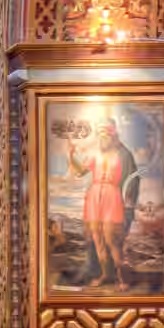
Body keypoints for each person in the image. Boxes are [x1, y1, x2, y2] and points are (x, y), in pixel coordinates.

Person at [65, 118, 139, 289]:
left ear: (113, 135)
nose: (102, 138)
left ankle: (123, 278)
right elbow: (81, 172)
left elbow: (133, 178)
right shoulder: (95, 154)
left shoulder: (123, 154)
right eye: (100, 134)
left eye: (106, 134)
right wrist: (70, 156)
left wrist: (129, 202)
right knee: (97, 238)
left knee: (112, 239)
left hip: (112, 196)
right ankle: (105, 275)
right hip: (94, 196)